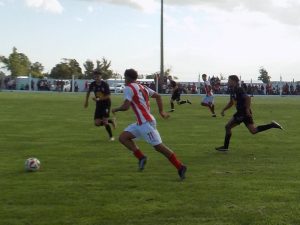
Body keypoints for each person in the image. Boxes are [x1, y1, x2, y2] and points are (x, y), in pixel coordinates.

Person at [112, 69, 187, 180]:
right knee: (123, 137)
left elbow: (126, 106)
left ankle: (180, 166)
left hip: (145, 124)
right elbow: (158, 96)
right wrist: (161, 112)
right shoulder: (142, 87)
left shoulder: (129, 88)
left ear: (128, 77)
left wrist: (115, 109)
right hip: (142, 122)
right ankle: (141, 157)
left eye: (124, 77)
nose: (124, 79)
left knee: (159, 147)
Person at [215, 75, 283, 151]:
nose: (228, 82)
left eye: (229, 80)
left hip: (242, 113)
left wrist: (247, 109)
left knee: (228, 127)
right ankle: (272, 125)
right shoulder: (232, 90)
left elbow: (248, 98)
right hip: (242, 113)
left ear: (234, 81)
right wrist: (224, 109)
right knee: (253, 131)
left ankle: (225, 147)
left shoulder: (239, 89)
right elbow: (231, 102)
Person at [84, 70, 116, 141]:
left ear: (101, 76)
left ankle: (111, 137)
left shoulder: (105, 84)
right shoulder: (93, 84)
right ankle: (111, 121)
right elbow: (88, 92)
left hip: (106, 104)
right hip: (99, 105)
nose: (97, 78)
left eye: (98, 76)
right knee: (97, 123)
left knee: (105, 121)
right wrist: (86, 101)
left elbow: (108, 96)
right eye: (95, 76)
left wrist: (99, 99)